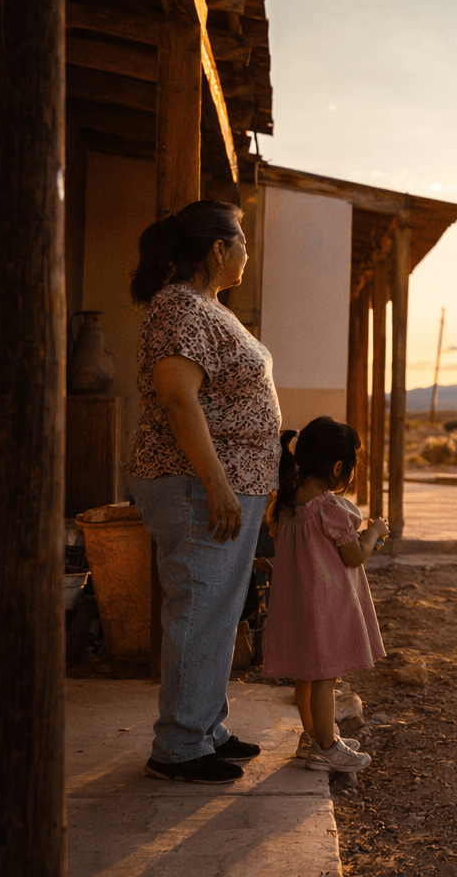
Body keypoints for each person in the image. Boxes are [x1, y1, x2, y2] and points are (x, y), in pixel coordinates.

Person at [126, 199, 281, 784]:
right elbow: (176, 399)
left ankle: (205, 727)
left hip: (222, 485)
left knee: (215, 612)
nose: (247, 250)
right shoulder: (180, 309)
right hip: (195, 485)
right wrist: (217, 484)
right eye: (241, 240)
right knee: (198, 609)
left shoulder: (205, 307)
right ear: (218, 249)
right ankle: (180, 747)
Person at [262, 417, 388, 773]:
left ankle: (312, 737)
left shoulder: (287, 500)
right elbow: (353, 556)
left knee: (307, 674)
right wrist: (374, 533)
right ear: (337, 467)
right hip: (325, 601)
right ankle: (327, 747)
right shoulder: (329, 507)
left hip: (298, 602)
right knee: (324, 677)